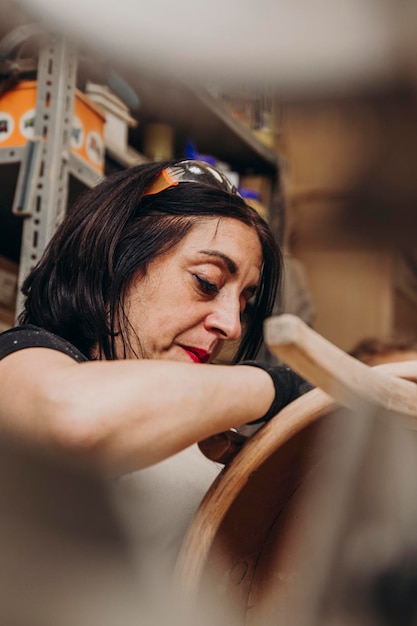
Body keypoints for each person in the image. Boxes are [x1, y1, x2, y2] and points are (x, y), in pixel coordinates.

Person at [0, 159, 310, 585]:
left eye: (244, 302)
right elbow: (73, 420)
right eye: (206, 281)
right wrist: (280, 386)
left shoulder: (198, 436)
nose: (232, 325)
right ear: (117, 258)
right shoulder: (19, 359)